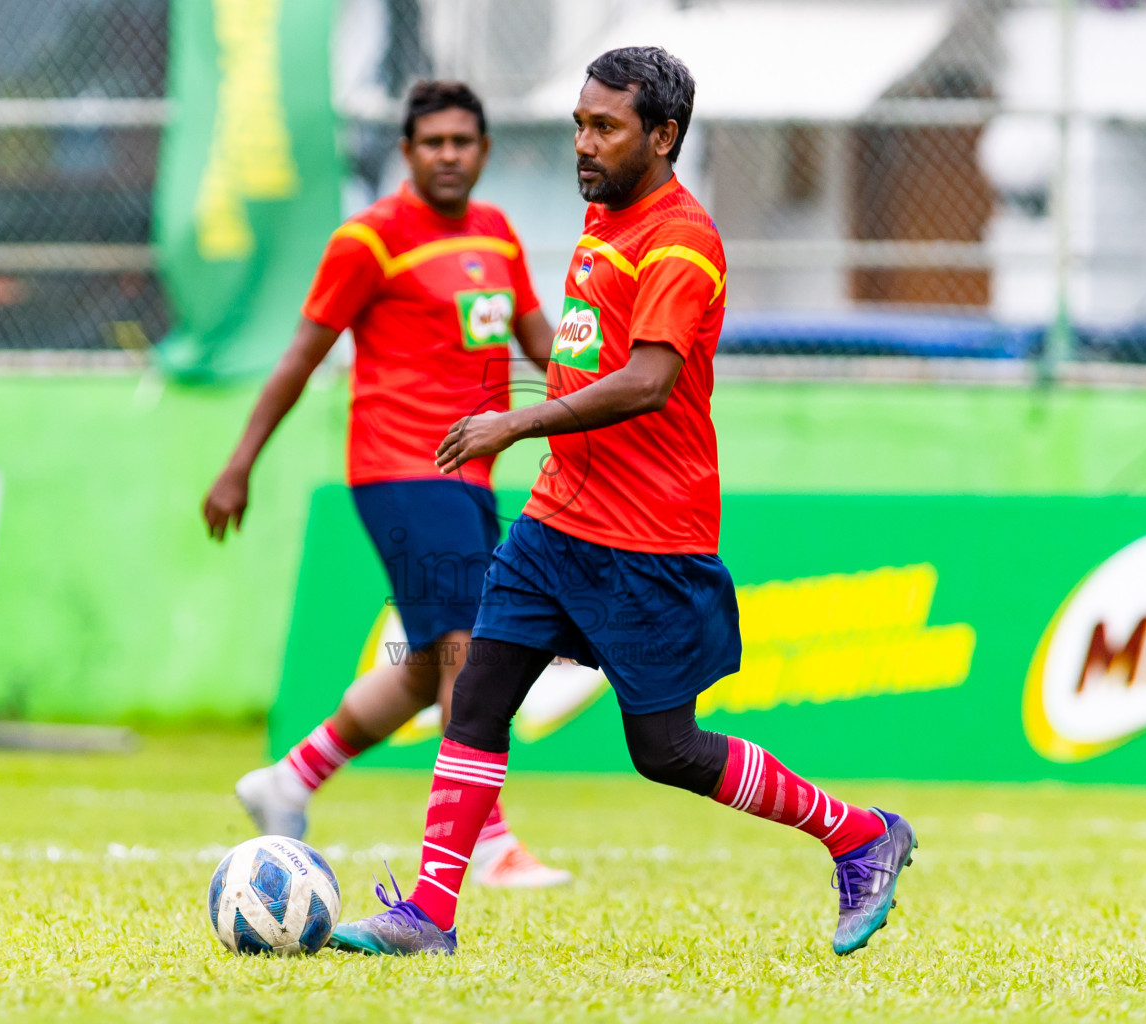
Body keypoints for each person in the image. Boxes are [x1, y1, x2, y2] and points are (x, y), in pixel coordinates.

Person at [329, 47, 916, 958]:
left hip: (648, 538)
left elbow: (648, 381)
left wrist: (516, 424)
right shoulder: (603, 217)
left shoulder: (681, 242)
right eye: (579, 122)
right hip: (555, 524)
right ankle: (427, 918)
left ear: (665, 135)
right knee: (477, 694)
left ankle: (860, 834)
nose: (584, 142)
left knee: (666, 750)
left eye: (605, 127)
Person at [203, 80, 572, 890]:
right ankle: (487, 839)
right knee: (467, 648)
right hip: (404, 468)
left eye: (462, 142)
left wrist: (601, 401)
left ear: (484, 151)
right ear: (406, 153)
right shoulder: (369, 240)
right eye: (432, 142)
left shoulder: (498, 234)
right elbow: (301, 358)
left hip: (474, 472)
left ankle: (289, 781)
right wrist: (240, 464)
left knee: (423, 665)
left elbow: (539, 342)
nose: (448, 155)